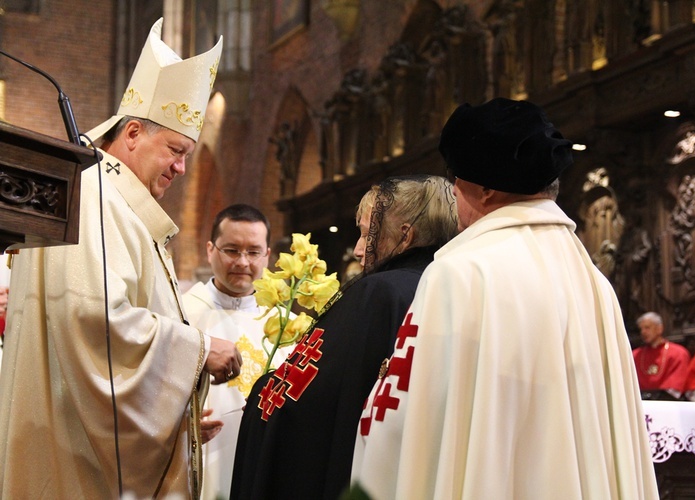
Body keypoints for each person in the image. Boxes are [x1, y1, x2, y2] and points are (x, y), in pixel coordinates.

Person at [351, 98, 659, 499]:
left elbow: (405, 417)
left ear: (486, 189)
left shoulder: (461, 272)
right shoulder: (593, 281)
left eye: (455, 185)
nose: (454, 200)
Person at [0, 19, 243, 499]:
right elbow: (95, 322)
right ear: (132, 132)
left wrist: (174, 421)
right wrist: (199, 350)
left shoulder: (115, 200)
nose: (182, 167)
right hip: (78, 464)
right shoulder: (95, 196)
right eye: (175, 150)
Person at [230, 175, 458, 499]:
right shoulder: (449, 288)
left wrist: (260, 394)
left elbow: (303, 402)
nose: (361, 250)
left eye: (367, 233)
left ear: (405, 236)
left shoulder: (379, 293)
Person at [183, 204, 292, 500]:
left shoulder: (287, 327)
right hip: (200, 457)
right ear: (210, 250)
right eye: (232, 250)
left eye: (254, 252)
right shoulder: (180, 314)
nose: (243, 262)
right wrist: (180, 427)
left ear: (267, 255)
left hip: (265, 463)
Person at [632, 311, 690, 400]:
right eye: (641, 329)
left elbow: (674, 388)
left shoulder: (678, 353)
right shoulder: (635, 355)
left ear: (659, 328)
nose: (643, 332)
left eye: (647, 328)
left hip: (668, 405)